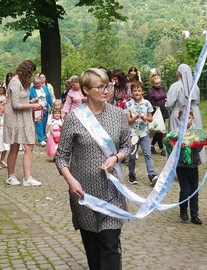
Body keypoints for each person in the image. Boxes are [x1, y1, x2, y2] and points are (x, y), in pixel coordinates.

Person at [55, 68, 132, 270]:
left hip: (111, 192)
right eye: (101, 87)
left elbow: (127, 146)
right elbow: (61, 157)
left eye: (108, 86)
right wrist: (71, 181)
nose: (106, 90)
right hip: (84, 194)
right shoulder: (74, 118)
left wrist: (116, 157)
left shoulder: (118, 115)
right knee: (94, 252)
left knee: (110, 246)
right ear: (86, 91)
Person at [4, 60, 44, 186]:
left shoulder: (24, 82)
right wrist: (33, 105)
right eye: (31, 73)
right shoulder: (15, 82)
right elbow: (15, 104)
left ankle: (27, 178)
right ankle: (10, 176)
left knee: (29, 145)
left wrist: (32, 102)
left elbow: (23, 100)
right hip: (14, 117)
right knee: (15, 146)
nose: (32, 76)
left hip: (25, 116)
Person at [172, 107, 203, 225]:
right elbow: (172, 149)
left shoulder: (197, 132)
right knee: (185, 190)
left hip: (193, 165)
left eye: (189, 118)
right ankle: (183, 210)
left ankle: (194, 214)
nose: (186, 120)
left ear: (193, 118)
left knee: (194, 191)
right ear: (179, 118)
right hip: (181, 166)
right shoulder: (176, 133)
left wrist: (196, 144)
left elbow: (200, 148)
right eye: (183, 118)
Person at [125, 81, 157, 186]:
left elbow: (151, 119)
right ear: (132, 92)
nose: (137, 92)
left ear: (142, 91)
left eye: (139, 90)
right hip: (133, 134)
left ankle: (152, 175)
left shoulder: (147, 103)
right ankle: (131, 175)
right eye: (135, 91)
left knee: (148, 154)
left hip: (144, 133)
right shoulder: (128, 104)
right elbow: (128, 121)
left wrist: (145, 118)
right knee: (132, 156)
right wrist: (135, 117)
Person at [166, 64, 203, 133]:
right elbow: (197, 102)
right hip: (194, 114)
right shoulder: (195, 86)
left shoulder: (175, 86)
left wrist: (172, 109)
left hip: (179, 115)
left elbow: (169, 104)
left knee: (178, 138)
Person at [146, 72, 167, 156]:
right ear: (153, 83)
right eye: (156, 83)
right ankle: (162, 149)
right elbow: (149, 103)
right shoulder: (151, 91)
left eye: (159, 83)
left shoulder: (162, 88)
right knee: (159, 130)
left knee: (160, 129)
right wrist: (154, 107)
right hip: (156, 112)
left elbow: (164, 96)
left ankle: (152, 145)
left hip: (163, 110)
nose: (158, 84)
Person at [29, 76, 54, 147]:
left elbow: (49, 97)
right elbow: (28, 100)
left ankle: (43, 136)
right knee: (39, 124)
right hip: (37, 109)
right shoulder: (31, 90)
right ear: (33, 83)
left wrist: (52, 105)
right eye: (36, 83)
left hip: (45, 109)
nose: (37, 85)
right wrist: (32, 101)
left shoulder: (45, 88)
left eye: (39, 83)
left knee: (45, 124)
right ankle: (41, 140)